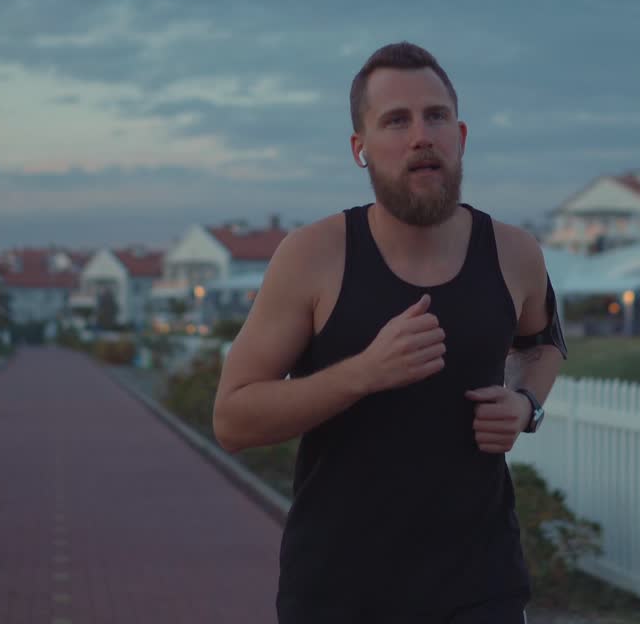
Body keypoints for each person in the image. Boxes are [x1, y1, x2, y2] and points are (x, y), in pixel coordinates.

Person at [214, 42, 568, 623]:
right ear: (360, 149)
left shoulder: (514, 252)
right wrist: (362, 373)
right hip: (338, 593)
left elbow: (543, 344)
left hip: (481, 588)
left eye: (436, 116)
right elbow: (232, 420)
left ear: (461, 136)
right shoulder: (313, 256)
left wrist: (525, 403)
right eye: (396, 121)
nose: (421, 136)